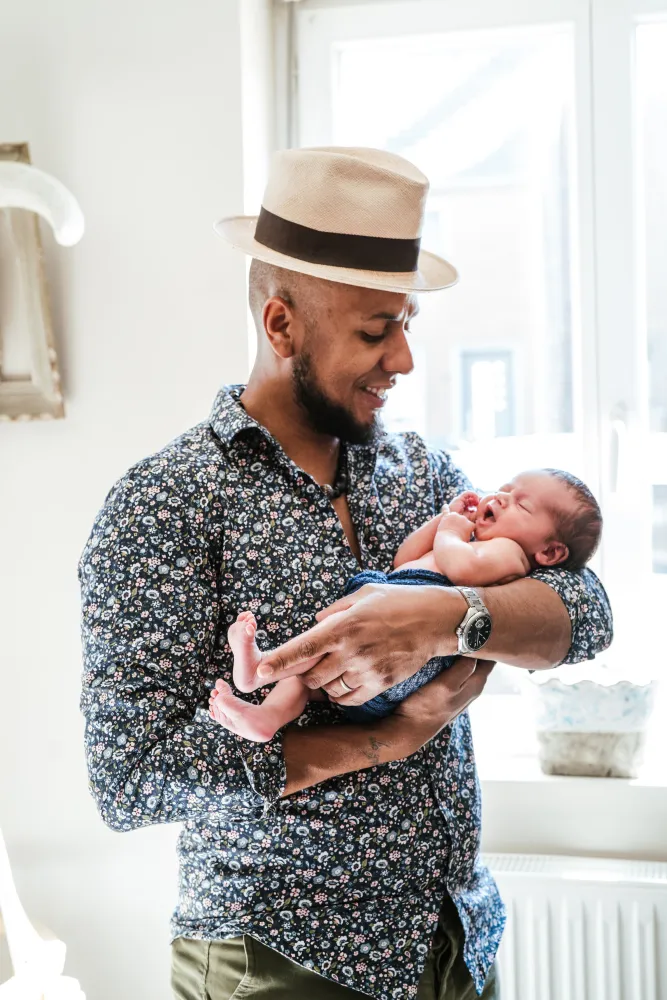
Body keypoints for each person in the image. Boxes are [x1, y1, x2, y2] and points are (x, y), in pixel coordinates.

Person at [79, 147, 613, 1000]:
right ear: (281, 325)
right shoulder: (167, 503)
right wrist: (381, 740)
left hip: (455, 941)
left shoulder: (425, 472)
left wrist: (440, 620)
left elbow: (583, 612)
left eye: (407, 326)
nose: (402, 360)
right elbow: (130, 779)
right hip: (282, 959)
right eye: (374, 331)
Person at [209, 470, 603, 740]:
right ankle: (266, 711)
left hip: (412, 660)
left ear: (550, 552)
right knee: (309, 674)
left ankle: (262, 669)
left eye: (522, 505)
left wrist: (451, 532)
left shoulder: (509, 554)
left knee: (320, 651)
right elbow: (405, 558)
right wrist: (443, 519)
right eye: (504, 488)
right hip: (391, 605)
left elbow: (460, 568)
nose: (500, 497)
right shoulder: (473, 539)